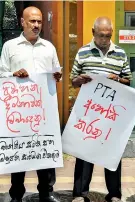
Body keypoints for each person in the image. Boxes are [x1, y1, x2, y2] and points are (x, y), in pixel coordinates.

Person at [0, 6, 62, 202]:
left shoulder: (49, 47)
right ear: (22, 22)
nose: (36, 25)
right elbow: (2, 75)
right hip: (19, 112)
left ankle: (46, 192)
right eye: (32, 21)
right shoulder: (10, 47)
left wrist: (57, 76)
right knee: (20, 152)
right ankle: (16, 194)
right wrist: (14, 74)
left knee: (45, 152)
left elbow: (56, 73)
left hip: (44, 113)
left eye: (39, 22)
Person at [70, 17, 132, 202]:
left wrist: (118, 79)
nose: (105, 39)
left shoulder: (120, 53)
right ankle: (80, 194)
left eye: (108, 35)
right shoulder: (83, 52)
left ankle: (114, 194)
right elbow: (73, 79)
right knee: (84, 153)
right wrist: (81, 80)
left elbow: (128, 79)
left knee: (112, 153)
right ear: (93, 32)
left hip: (111, 114)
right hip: (88, 113)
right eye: (101, 35)